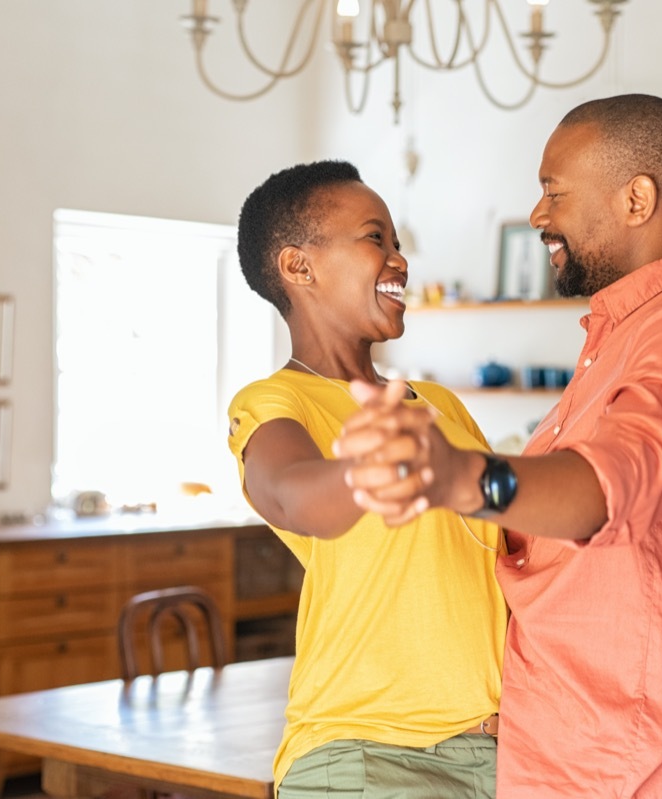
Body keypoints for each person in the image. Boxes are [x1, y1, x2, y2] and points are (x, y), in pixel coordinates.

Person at [337, 94, 662, 798]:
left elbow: (609, 485)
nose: (538, 215)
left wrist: (459, 477)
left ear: (637, 198)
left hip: (659, 765)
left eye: (553, 191)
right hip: (572, 750)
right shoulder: (620, 340)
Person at [226, 159, 506, 798]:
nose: (399, 260)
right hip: (366, 755)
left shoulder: (437, 405)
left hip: (498, 749)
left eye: (399, 243)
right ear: (300, 267)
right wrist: (380, 465)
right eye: (376, 238)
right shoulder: (273, 402)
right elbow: (292, 492)